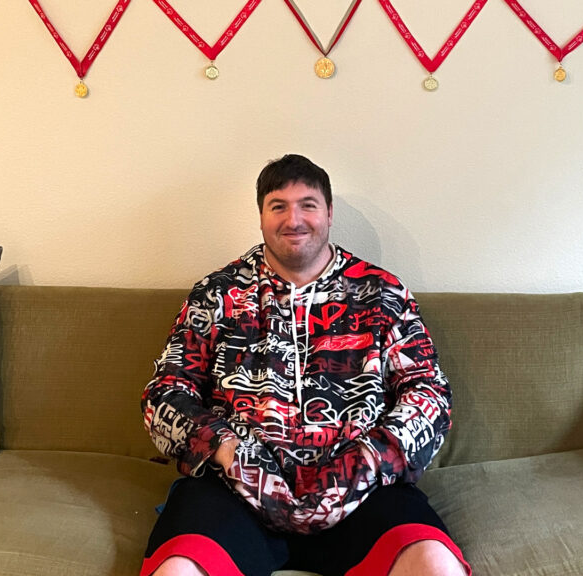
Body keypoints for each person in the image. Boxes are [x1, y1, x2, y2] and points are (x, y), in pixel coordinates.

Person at [140, 154, 470, 576]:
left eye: (308, 204)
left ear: (329, 214)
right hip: (235, 491)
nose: (293, 219)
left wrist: (368, 461)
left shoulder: (381, 293)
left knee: (435, 565)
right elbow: (164, 393)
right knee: (177, 572)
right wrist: (229, 452)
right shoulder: (217, 294)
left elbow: (429, 393)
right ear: (261, 217)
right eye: (278, 206)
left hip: (360, 490)